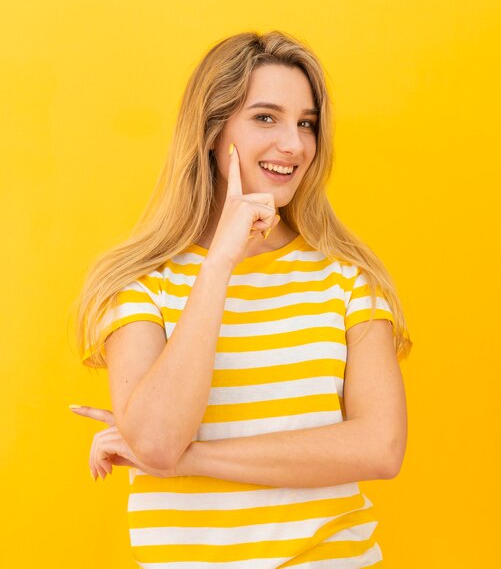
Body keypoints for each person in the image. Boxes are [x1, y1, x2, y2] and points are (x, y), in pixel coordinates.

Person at [71, 30, 412, 568]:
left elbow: (380, 448)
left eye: (306, 124)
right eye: (266, 117)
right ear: (212, 131)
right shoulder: (139, 284)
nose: (294, 145)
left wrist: (191, 459)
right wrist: (220, 262)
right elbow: (157, 441)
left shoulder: (347, 279)